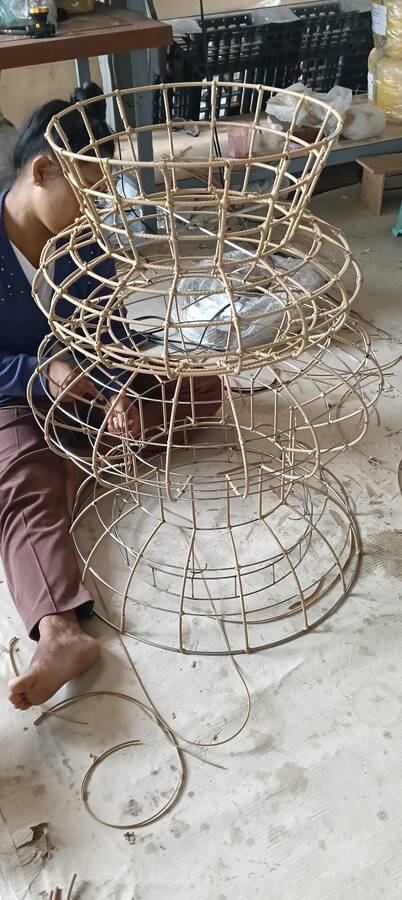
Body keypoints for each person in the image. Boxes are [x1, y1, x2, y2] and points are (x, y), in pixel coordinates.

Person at [0, 83, 220, 711]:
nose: (97, 210)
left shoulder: (85, 241)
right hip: (11, 394)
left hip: (86, 389)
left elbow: (113, 332)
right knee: (23, 479)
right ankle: (60, 632)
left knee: (204, 388)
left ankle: (78, 455)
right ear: (42, 172)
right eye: (90, 192)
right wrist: (41, 372)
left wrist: (118, 390)